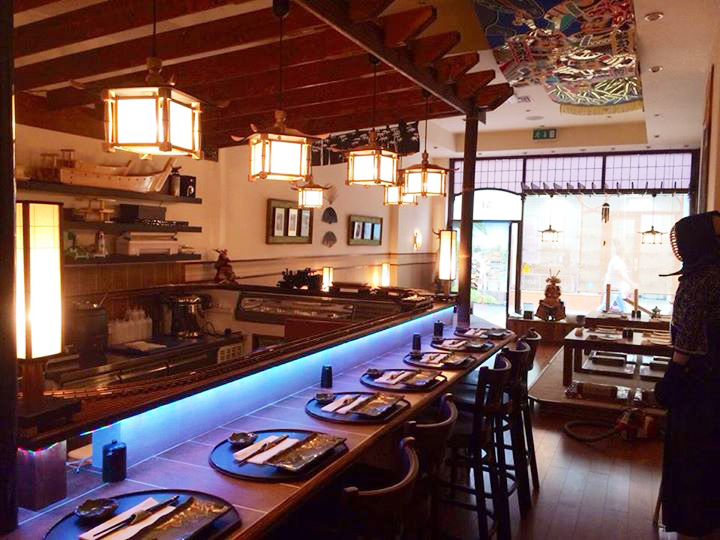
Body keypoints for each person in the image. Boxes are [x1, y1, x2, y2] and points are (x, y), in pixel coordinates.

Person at [656, 211, 720, 539]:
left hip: (699, 379)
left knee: (692, 451)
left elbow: (689, 338)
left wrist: (672, 376)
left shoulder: (702, 279)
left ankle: (692, 522)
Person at [600, 240, 637, 312]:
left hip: (617, 288)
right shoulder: (616, 260)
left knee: (623, 307)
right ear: (622, 251)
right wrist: (631, 283)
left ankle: (626, 315)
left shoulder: (619, 260)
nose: (627, 252)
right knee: (604, 306)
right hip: (613, 287)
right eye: (626, 251)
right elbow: (619, 274)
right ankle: (593, 317)